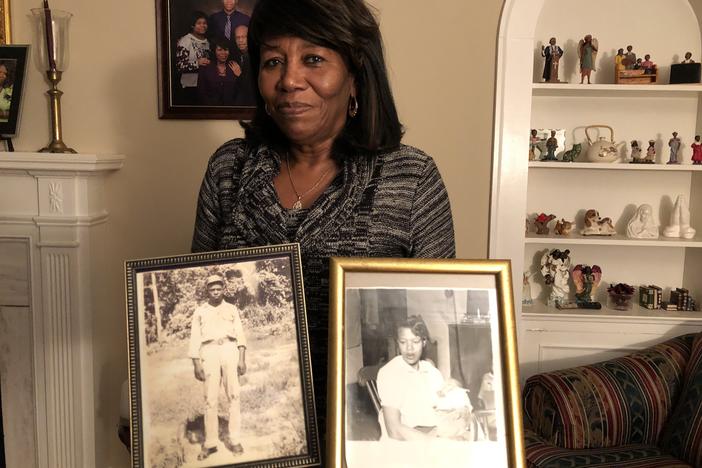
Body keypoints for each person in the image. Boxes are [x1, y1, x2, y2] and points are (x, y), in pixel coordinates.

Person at [191, 0, 455, 441]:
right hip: (253, 437)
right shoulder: (228, 170)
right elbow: (202, 286)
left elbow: (421, 315)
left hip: (355, 443)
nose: (290, 80)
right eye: (274, 61)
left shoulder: (412, 179)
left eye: (313, 59)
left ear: (354, 76)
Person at [376, 316, 473, 441]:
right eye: (403, 342)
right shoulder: (390, 373)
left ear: (423, 342)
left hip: (432, 432)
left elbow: (442, 403)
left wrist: (453, 392)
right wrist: (439, 442)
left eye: (415, 341)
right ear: (397, 343)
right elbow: (394, 431)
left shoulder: (429, 369)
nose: (409, 348)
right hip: (406, 443)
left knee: (473, 435)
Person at [188, 274, 247, 460]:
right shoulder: (200, 311)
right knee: (210, 400)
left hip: (230, 350)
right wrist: (196, 363)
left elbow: (240, 335)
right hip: (209, 352)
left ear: (223, 289)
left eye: (218, 288)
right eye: (212, 289)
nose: (215, 292)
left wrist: (242, 359)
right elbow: (194, 339)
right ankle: (211, 443)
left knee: (234, 396)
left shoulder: (231, 309)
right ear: (207, 290)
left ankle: (235, 440)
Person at [175, 11, 211, 105]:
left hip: (206, 85)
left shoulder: (208, 42)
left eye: (204, 23)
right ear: (192, 25)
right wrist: (197, 63)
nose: (202, 26)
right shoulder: (185, 41)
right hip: (190, 87)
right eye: (199, 23)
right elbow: (179, 66)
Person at [197, 39, 240, 106]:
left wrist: (240, 75)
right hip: (210, 110)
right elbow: (201, 92)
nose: (223, 53)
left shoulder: (234, 66)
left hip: (231, 110)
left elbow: (239, 91)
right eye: (219, 50)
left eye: (226, 49)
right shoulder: (205, 67)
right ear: (214, 51)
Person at [232, 24, 256, 106]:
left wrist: (240, 75)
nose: (240, 40)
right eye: (237, 38)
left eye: (244, 37)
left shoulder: (255, 56)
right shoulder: (235, 55)